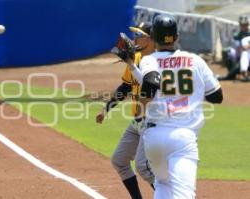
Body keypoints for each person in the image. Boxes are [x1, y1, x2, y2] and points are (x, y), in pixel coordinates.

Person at [126, 14, 223, 198]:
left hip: (153, 138)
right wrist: (191, 91)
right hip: (183, 139)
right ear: (176, 37)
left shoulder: (149, 60)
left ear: (153, 37)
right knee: (184, 194)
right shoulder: (195, 60)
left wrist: (141, 107)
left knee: (163, 185)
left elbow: (152, 82)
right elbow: (217, 96)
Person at [96, 22, 155, 199]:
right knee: (119, 161)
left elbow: (152, 87)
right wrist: (106, 109)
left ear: (151, 39)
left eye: (139, 35)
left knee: (144, 168)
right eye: (135, 35)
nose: (135, 39)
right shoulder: (135, 58)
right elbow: (125, 88)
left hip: (151, 122)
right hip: (136, 122)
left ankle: (171, 195)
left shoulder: (158, 62)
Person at [219, 15, 250, 81]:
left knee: (244, 55)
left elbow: (246, 48)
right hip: (239, 54)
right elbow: (236, 47)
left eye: (245, 24)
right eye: (242, 25)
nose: (244, 26)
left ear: (248, 24)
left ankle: (228, 76)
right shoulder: (237, 35)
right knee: (226, 51)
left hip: (248, 55)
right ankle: (232, 73)